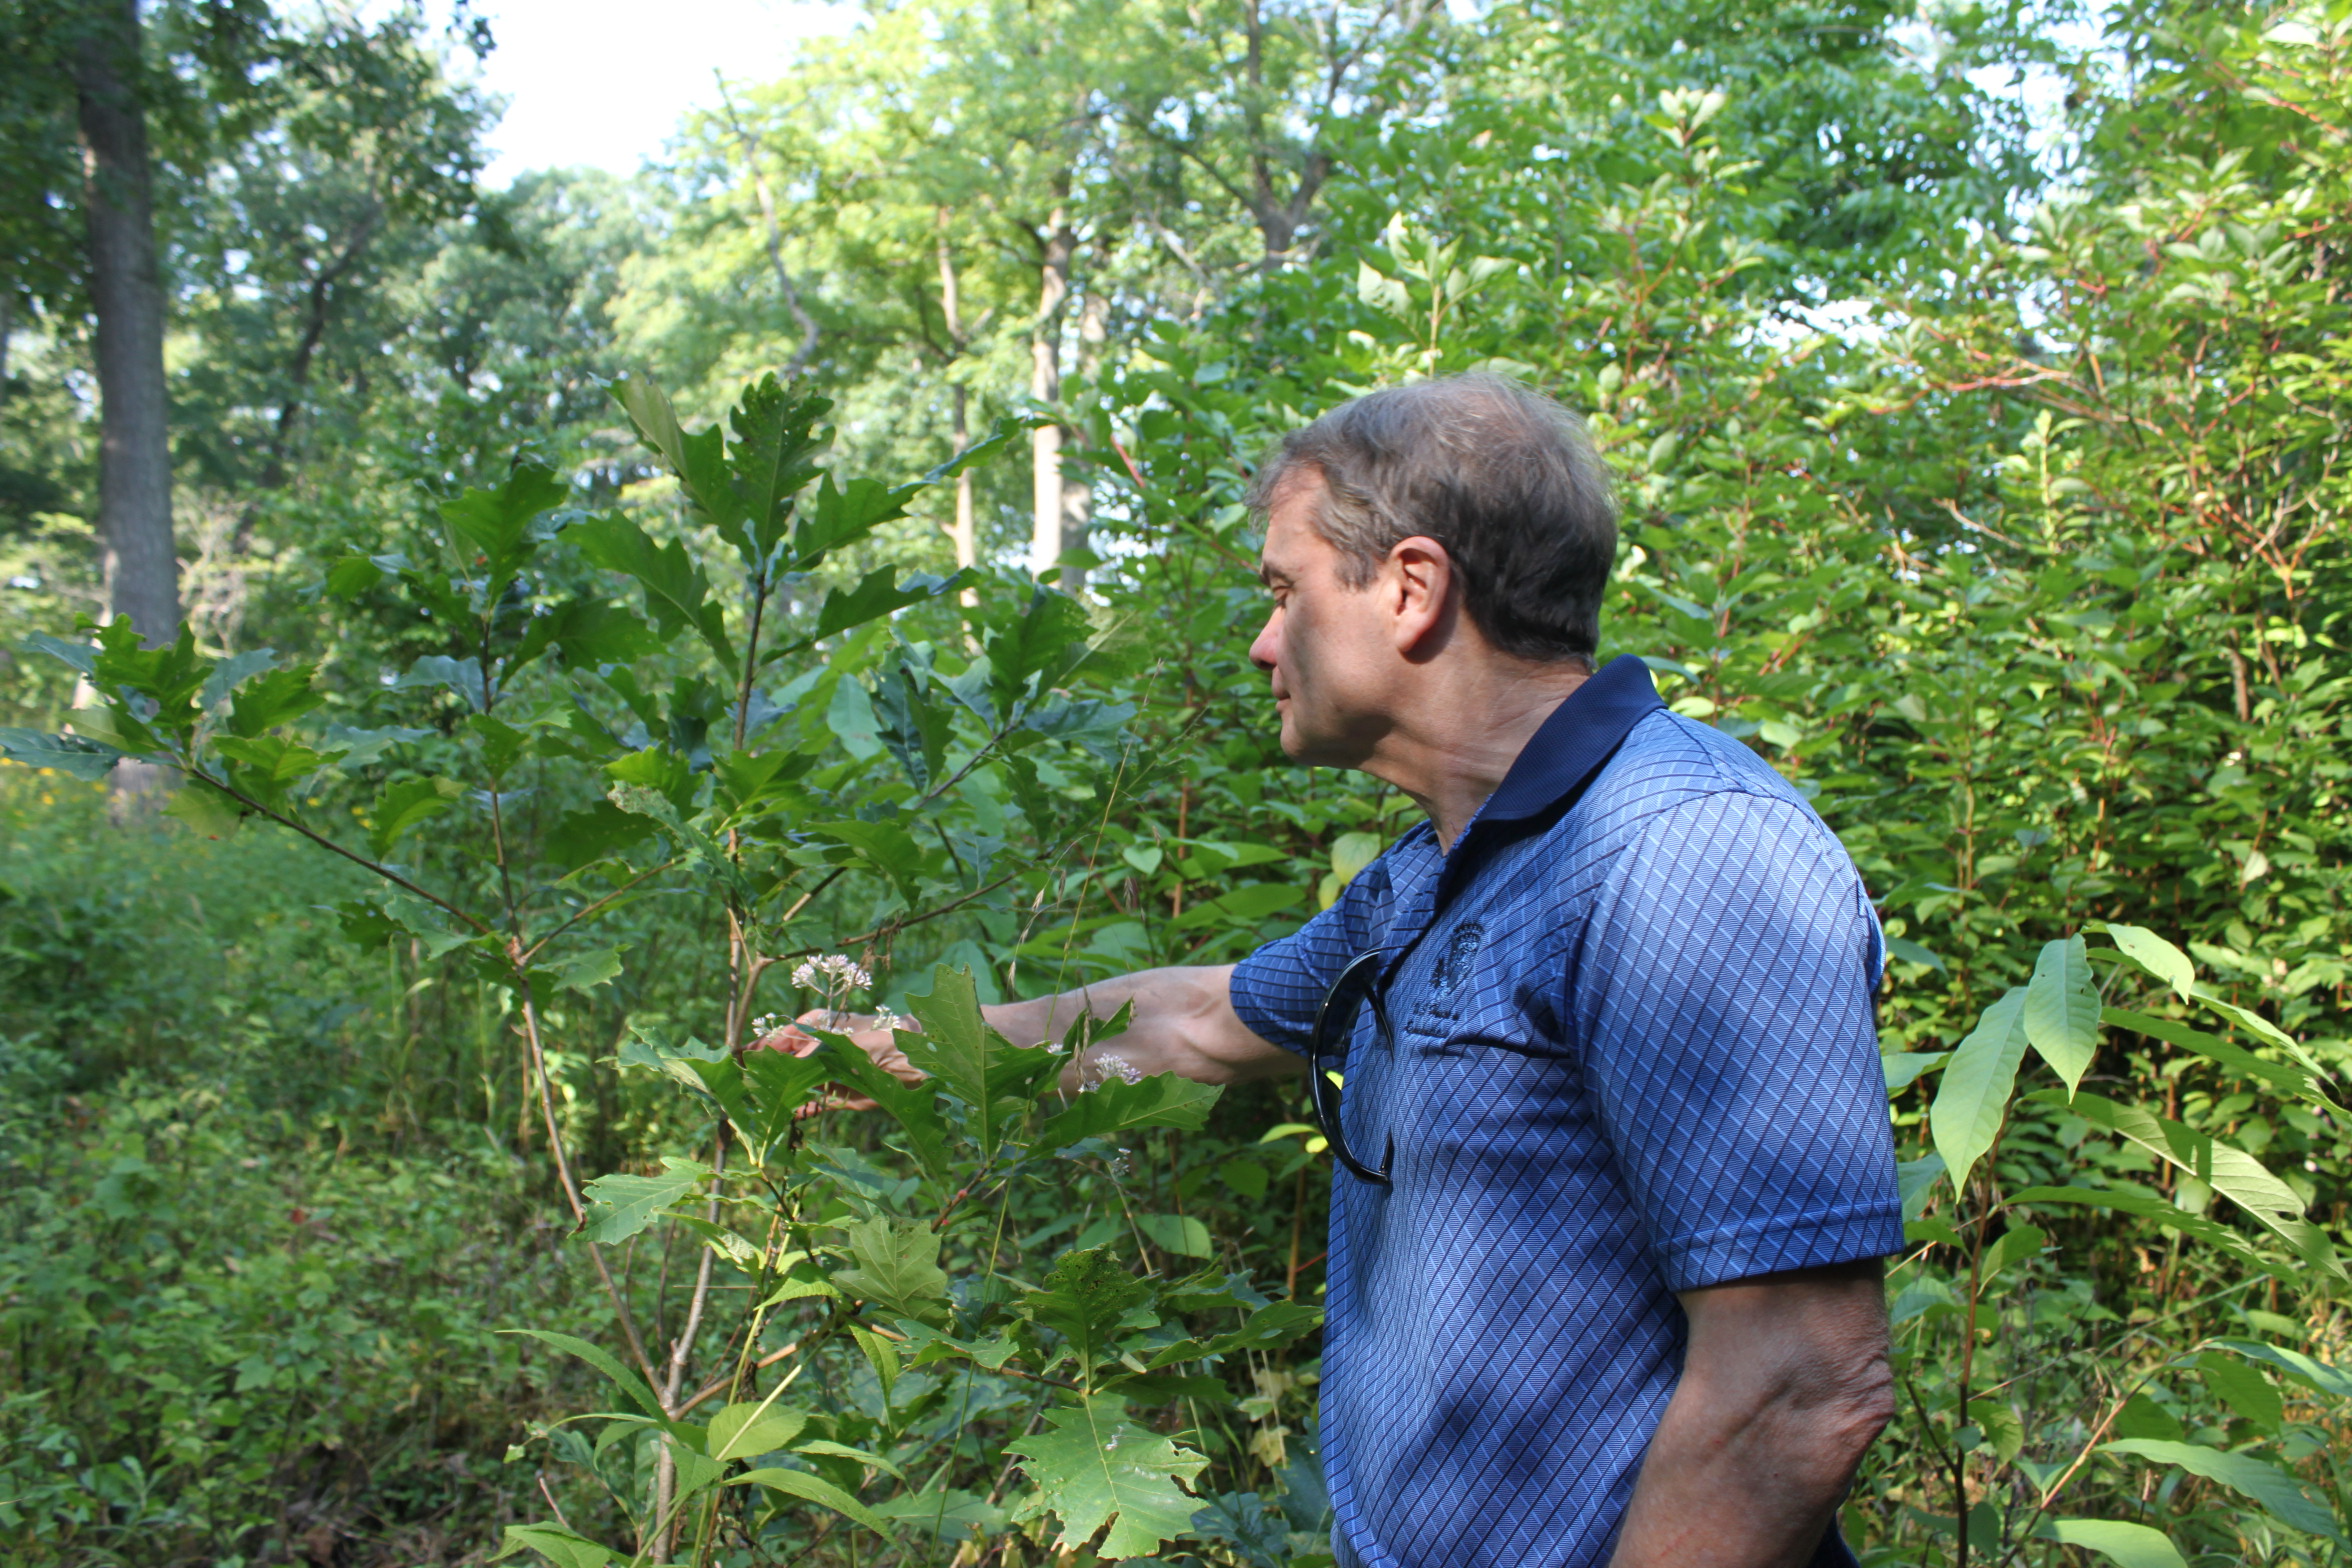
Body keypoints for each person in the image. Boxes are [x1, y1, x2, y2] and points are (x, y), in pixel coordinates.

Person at [798, 374, 1903, 1568]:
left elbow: (1800, 1386)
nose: (1263, 639)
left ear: (1412, 588)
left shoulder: (1682, 848)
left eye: (1285, 588)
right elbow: (1201, 1020)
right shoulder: (1438, 871)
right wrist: (911, 1053)